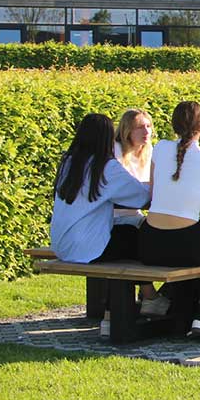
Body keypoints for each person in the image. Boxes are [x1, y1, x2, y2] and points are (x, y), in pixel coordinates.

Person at [138, 101, 200, 342]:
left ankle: (182, 315)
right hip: (185, 243)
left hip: (150, 243)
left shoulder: (160, 148)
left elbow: (154, 193)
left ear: (174, 125)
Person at [52, 114, 152, 338]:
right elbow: (141, 197)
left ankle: (146, 300)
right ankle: (118, 310)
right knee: (149, 239)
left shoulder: (68, 162)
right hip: (90, 247)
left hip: (62, 244)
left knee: (131, 234)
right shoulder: (106, 167)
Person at [112, 109, 167, 317]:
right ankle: (149, 296)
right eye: (139, 127)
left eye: (148, 126)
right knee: (144, 239)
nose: (146, 131)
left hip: (135, 215)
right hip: (113, 219)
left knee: (164, 234)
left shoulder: (149, 151)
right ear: (127, 131)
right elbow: (123, 190)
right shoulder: (115, 151)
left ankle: (152, 297)